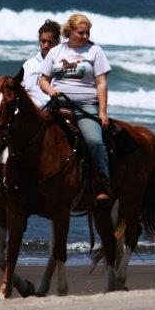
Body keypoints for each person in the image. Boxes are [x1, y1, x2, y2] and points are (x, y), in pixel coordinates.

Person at [39, 13, 113, 202]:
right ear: (70, 32)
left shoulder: (95, 51)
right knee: (30, 132)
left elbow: (101, 83)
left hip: (85, 106)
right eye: (81, 33)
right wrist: (50, 90)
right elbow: (43, 80)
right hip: (57, 103)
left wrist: (102, 112)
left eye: (87, 33)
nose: (85, 36)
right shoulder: (56, 52)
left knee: (94, 141)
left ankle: (102, 183)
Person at [21, 19, 61, 108]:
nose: (46, 45)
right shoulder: (28, 64)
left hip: (53, 112)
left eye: (50, 42)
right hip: (30, 112)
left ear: (57, 42)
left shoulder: (62, 64)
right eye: (43, 41)